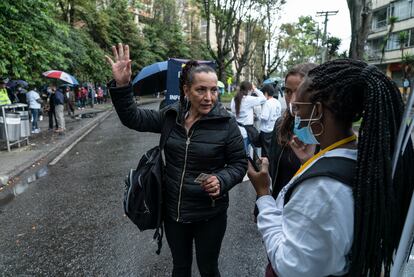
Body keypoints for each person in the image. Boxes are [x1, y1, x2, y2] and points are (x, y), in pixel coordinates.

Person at [248, 59, 414, 277]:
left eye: (298, 107)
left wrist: (263, 195)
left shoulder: (324, 188)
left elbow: (290, 266)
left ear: (317, 110)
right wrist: (308, 165)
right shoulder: (361, 158)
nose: (294, 114)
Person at [106, 43, 247, 277]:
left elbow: (239, 164)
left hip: (210, 215)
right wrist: (123, 86)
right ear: (185, 90)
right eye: (201, 90)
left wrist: (221, 180)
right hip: (174, 213)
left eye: (213, 90)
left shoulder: (227, 123)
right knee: (180, 267)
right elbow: (133, 118)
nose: (209, 97)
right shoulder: (170, 115)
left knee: (208, 268)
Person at [230, 81, 266, 153]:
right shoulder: (248, 99)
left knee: (239, 154)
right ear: (249, 90)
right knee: (246, 155)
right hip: (246, 133)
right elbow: (263, 98)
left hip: (236, 131)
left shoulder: (234, 99)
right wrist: (255, 89)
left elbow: (233, 111)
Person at [258, 84, 282, 158]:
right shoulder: (277, 102)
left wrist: (258, 115)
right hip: (275, 130)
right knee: (272, 150)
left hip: (266, 131)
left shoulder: (267, 103)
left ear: (266, 93)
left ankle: (265, 167)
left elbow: (264, 117)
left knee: (265, 152)